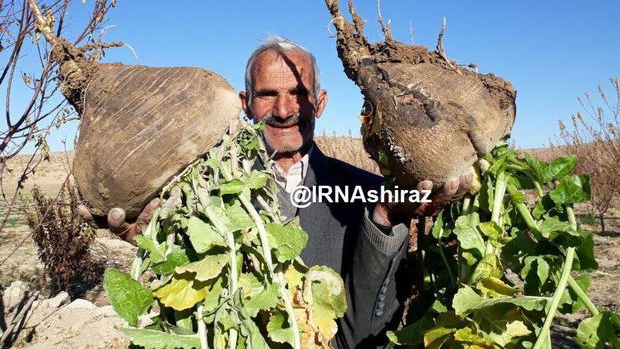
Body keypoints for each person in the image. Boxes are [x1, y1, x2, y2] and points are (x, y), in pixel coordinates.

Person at [78, 36, 471, 348]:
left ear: (319, 103)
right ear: (246, 104)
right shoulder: (202, 197)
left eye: (298, 93)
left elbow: (363, 335)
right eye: (268, 95)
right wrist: (158, 244)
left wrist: (385, 220)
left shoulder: (368, 193)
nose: (284, 110)